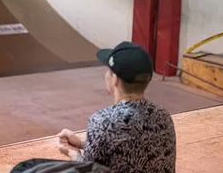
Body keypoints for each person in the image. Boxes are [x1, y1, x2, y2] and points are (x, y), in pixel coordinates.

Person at [56, 41, 176, 173]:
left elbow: (89, 170)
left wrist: (73, 153)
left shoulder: (103, 121)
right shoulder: (163, 116)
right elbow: (130, 147)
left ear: (115, 79)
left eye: (108, 70)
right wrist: (81, 143)